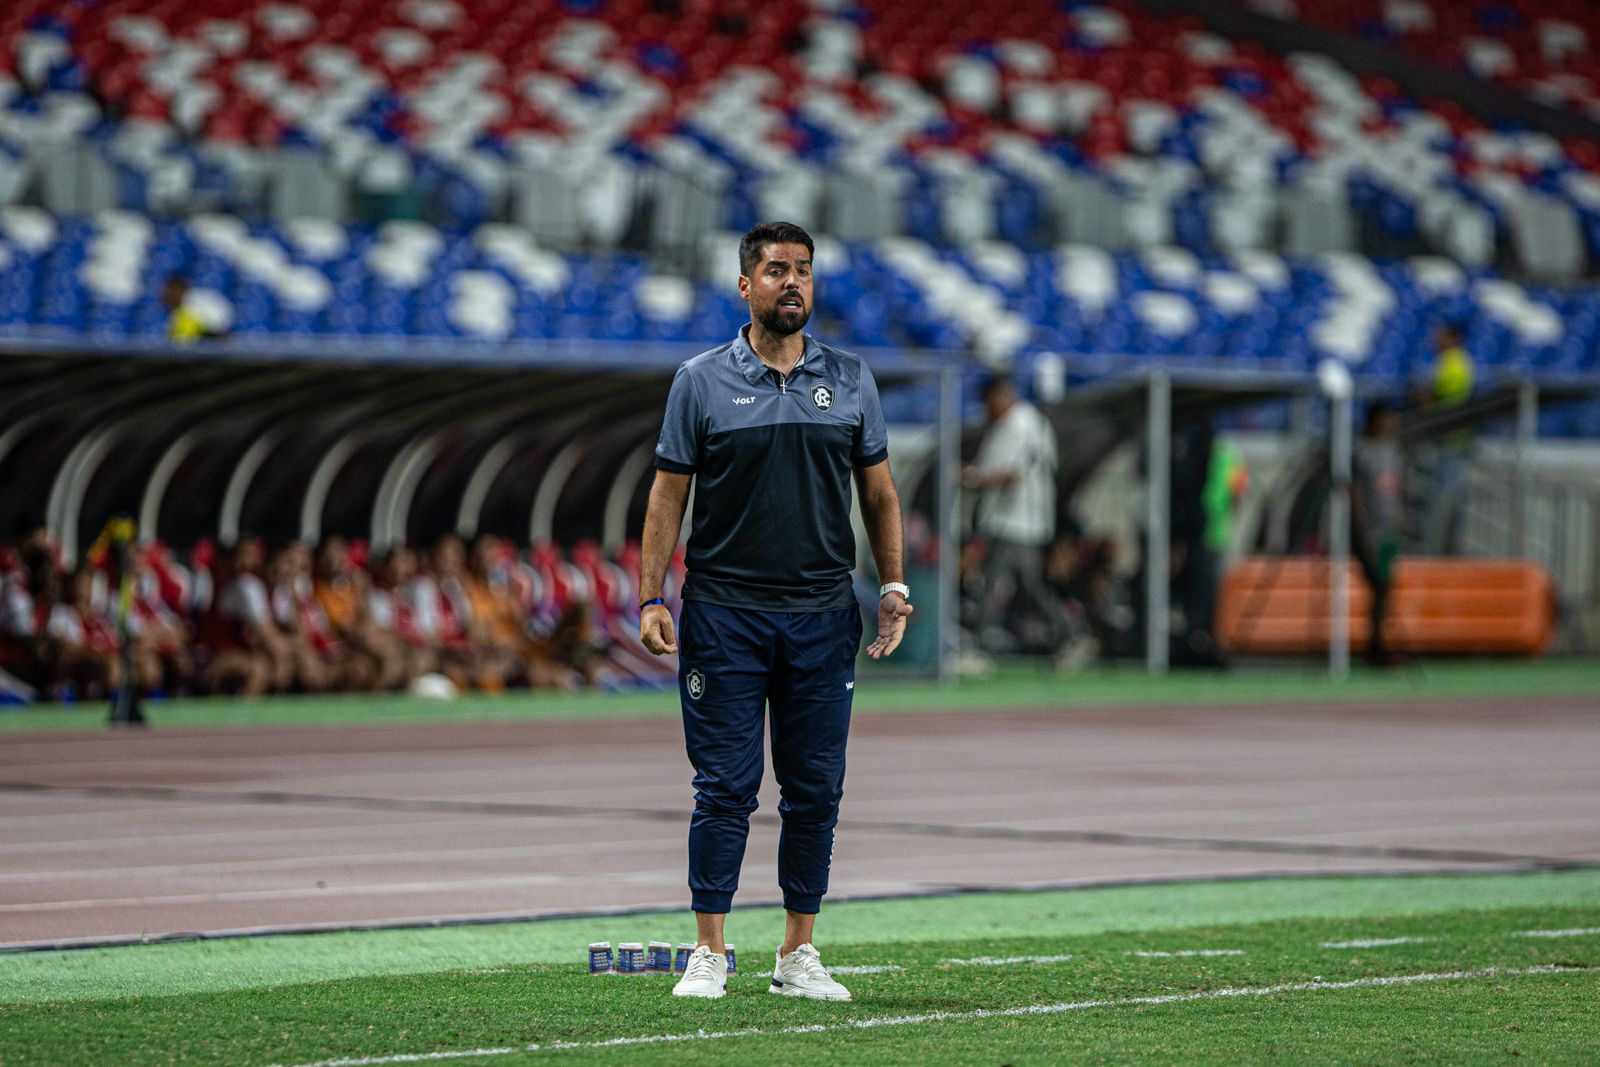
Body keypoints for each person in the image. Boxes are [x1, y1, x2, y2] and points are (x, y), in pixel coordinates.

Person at [637, 221, 911, 1002]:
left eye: (804, 271)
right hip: (724, 611)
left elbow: (881, 493)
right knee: (724, 784)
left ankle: (797, 953)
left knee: (816, 787)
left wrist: (891, 585)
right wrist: (652, 593)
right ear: (745, 285)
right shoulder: (698, 379)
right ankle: (709, 951)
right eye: (776, 270)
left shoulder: (852, 378)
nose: (793, 282)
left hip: (824, 613)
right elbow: (668, 494)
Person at [962, 375, 1083, 666]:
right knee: (1026, 584)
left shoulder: (1021, 424)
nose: (986, 408)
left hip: (1016, 518)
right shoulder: (1025, 421)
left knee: (996, 581)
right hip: (1015, 519)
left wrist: (973, 477)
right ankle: (1068, 636)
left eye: (988, 401)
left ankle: (977, 648)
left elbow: (1012, 473)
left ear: (1000, 395)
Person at [1353, 401, 1405, 666]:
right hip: (1369, 533)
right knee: (1379, 586)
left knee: (1385, 588)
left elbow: (1396, 489)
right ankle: (1374, 647)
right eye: (1386, 418)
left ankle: (1379, 644)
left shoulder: (1392, 451)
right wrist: (1361, 532)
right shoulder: (1361, 452)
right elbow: (1355, 494)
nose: (1391, 425)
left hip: (1387, 532)